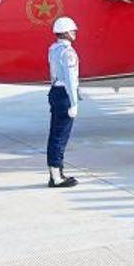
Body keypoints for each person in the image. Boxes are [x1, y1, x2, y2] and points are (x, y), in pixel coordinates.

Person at [47, 16, 81, 188]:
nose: (75, 33)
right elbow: (70, 79)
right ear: (66, 33)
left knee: (55, 134)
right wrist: (74, 103)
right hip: (65, 94)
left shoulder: (53, 49)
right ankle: (56, 177)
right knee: (60, 136)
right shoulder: (68, 52)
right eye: (73, 31)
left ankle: (56, 172)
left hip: (55, 91)